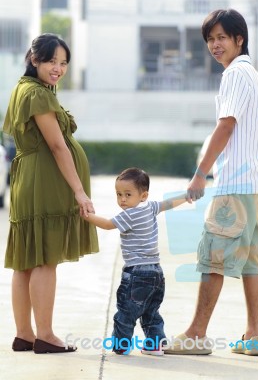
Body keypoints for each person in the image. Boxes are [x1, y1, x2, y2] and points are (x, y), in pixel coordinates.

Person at [166, 9, 258, 356]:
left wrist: (200, 173)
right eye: (210, 39)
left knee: (213, 259)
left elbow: (225, 126)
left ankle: (196, 333)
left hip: (234, 188)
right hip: (253, 186)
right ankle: (253, 337)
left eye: (222, 37)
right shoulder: (253, 75)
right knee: (252, 263)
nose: (214, 45)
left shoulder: (236, 75)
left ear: (240, 39)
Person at [3, 33, 99, 354]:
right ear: (34, 59)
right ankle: (44, 334)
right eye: (51, 61)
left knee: (26, 260)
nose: (58, 68)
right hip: (43, 181)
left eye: (63, 63)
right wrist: (79, 192)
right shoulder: (39, 95)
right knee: (45, 257)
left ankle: (24, 334)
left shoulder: (24, 89)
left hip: (28, 179)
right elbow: (58, 146)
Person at [81, 167, 188, 356]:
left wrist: (86, 216)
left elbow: (107, 225)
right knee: (151, 312)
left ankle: (121, 345)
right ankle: (155, 344)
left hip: (137, 274)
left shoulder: (129, 215)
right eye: (119, 194)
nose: (122, 199)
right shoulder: (151, 207)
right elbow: (168, 204)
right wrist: (187, 195)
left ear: (143, 195)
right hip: (156, 273)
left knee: (126, 311)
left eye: (128, 194)